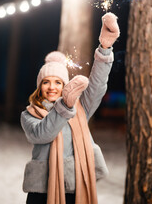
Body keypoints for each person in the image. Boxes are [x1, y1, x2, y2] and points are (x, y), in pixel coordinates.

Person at [21, 12, 120, 204]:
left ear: (64, 85)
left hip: (76, 185)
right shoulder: (30, 114)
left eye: (58, 82)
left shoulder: (79, 107)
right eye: (46, 82)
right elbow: (43, 134)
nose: (52, 87)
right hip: (41, 190)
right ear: (39, 86)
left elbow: (97, 86)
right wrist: (64, 105)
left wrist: (105, 49)